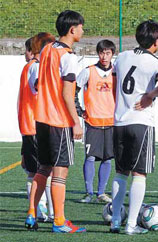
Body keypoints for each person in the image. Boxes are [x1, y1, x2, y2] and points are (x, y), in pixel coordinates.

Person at [25, 10, 86, 233]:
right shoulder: (68, 57)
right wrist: (76, 121)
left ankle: (32, 213)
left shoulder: (47, 49)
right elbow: (67, 94)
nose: (82, 30)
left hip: (41, 119)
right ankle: (59, 221)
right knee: (60, 172)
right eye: (81, 27)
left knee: (43, 168)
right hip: (59, 120)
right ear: (72, 29)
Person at [110, 20, 158, 235]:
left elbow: (114, 86)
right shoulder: (156, 62)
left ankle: (115, 220)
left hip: (119, 122)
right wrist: (149, 96)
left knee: (120, 173)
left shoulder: (122, 57)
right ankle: (131, 224)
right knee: (140, 174)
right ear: (156, 41)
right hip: (141, 122)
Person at [19, 36, 54, 223]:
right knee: (44, 170)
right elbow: (40, 85)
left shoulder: (29, 67)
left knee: (36, 170)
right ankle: (43, 210)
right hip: (36, 126)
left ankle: (41, 209)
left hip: (29, 125)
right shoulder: (35, 66)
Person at [76, 40, 116, 204]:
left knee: (107, 159)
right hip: (93, 122)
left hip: (112, 122)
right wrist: (79, 110)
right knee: (91, 157)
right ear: (98, 54)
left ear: (112, 54)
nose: (104, 56)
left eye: (107, 53)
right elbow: (73, 91)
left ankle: (101, 192)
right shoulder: (88, 71)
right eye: (101, 53)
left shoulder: (117, 72)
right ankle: (89, 193)